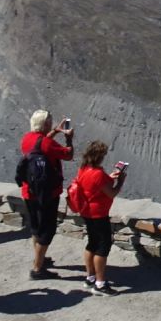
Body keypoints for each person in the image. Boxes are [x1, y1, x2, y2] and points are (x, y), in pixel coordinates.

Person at [20, 110, 75, 280]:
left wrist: (55, 132)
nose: (51, 124)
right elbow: (68, 154)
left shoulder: (27, 138)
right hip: (47, 193)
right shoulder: (47, 144)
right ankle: (37, 269)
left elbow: (40, 144)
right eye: (49, 123)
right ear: (44, 125)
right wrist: (68, 138)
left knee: (36, 226)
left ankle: (39, 258)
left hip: (29, 191)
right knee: (47, 230)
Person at [72, 140, 126, 294]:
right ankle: (100, 284)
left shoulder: (84, 169)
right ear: (99, 157)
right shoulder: (98, 174)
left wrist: (109, 177)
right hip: (98, 214)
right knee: (103, 247)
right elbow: (112, 193)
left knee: (92, 243)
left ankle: (90, 278)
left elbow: (94, 185)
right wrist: (120, 182)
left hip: (87, 212)